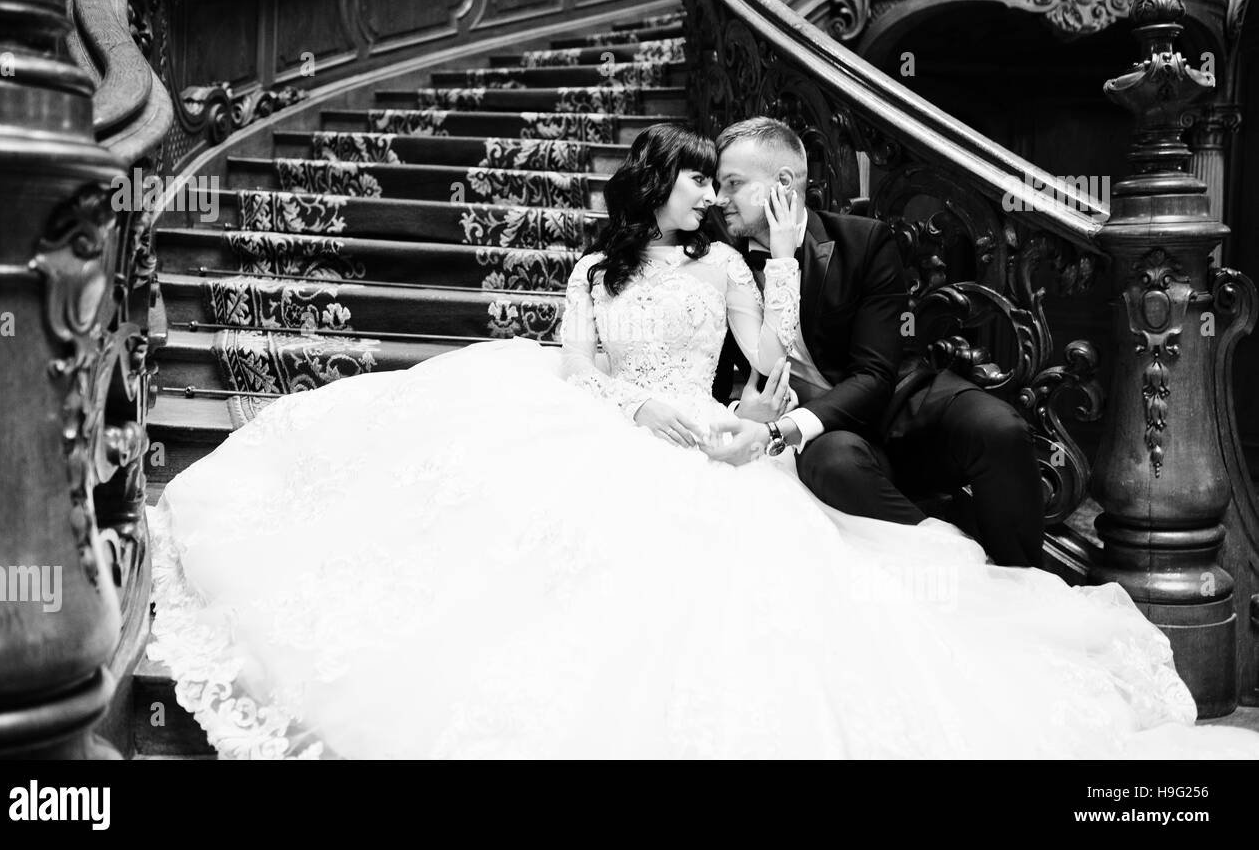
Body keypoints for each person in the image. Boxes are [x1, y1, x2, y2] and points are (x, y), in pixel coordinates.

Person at [148, 123, 1259, 759]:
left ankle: (983, 561)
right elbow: (578, 364)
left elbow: (773, 364)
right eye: (701, 182)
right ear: (662, 188)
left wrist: (774, 282)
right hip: (607, 423)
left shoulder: (739, 260)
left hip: (750, 430)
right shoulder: (592, 269)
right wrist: (641, 409)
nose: (711, 196)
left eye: (722, 183)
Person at [711, 117, 1044, 567]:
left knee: (1000, 429)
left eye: (732, 183)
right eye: (716, 184)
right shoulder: (719, 264)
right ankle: (962, 578)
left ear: (783, 183)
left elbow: (875, 374)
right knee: (834, 463)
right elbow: (709, 377)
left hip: (899, 404)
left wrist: (778, 429)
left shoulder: (862, 241)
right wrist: (743, 412)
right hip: (822, 439)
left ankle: (1022, 581)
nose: (718, 198)